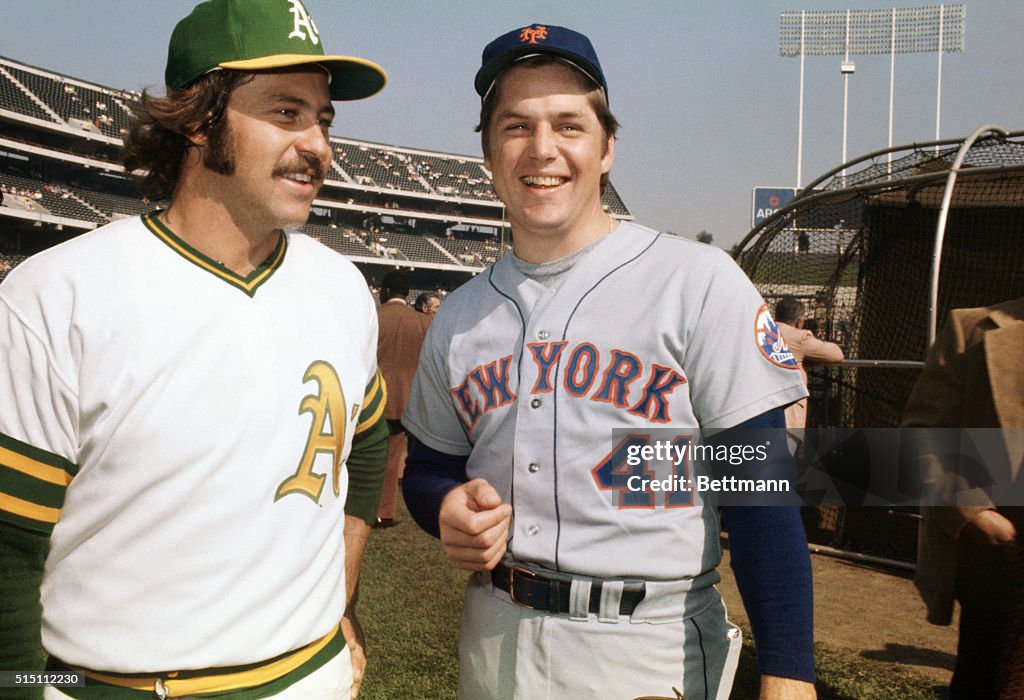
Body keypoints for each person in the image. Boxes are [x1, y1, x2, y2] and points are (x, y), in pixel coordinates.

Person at [402, 23, 816, 699]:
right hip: (495, 633)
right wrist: (444, 502)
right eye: (516, 127)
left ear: (606, 148)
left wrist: (790, 670)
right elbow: (429, 467)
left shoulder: (696, 280)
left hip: (648, 646)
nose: (542, 149)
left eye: (568, 124)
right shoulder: (460, 313)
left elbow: (758, 491)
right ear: (488, 154)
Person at [0, 1, 389, 698]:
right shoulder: (55, 296)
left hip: (312, 678)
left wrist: (342, 596)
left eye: (323, 119)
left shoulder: (341, 287)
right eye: (287, 113)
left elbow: (365, 444)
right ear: (200, 119)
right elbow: (7, 550)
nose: (319, 146)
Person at [902, 298, 1024, 698]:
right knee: (994, 681)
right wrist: (970, 511)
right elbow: (923, 434)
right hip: (1004, 556)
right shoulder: (970, 329)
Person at [374, 271, 430, 528]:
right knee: (393, 457)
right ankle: (385, 511)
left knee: (361, 457)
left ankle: (360, 506)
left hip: (372, 397)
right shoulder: (422, 322)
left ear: (385, 291)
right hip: (406, 398)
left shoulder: (372, 316)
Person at [773, 296, 844, 431]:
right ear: (799, 322)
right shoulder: (799, 337)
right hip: (786, 415)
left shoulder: (759, 332)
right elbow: (837, 354)